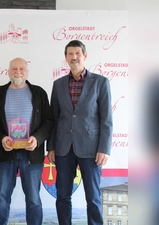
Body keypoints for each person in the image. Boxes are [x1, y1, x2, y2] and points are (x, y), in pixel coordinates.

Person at [47, 40, 113, 225]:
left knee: (93, 197)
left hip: (92, 149)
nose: (74, 57)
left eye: (77, 53)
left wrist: (104, 149)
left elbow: (106, 119)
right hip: (63, 148)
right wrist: (51, 147)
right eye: (70, 54)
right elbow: (54, 117)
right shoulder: (58, 84)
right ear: (66, 57)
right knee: (62, 196)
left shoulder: (100, 82)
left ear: (85, 55)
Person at [0, 57, 54, 225]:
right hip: (5, 153)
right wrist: (1, 138)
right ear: (8, 71)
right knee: (2, 197)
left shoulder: (39, 93)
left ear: (27, 71)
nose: (18, 72)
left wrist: (37, 139)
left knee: (33, 198)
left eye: (21, 69)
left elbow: (49, 121)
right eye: (14, 69)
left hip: (32, 154)